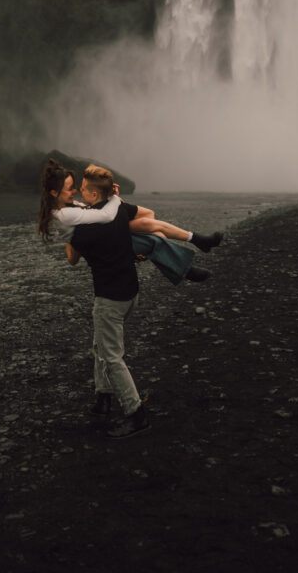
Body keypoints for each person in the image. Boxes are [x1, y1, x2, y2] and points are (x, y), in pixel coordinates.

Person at [61, 165, 150, 440]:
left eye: (83, 189)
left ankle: (136, 414)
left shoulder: (87, 228)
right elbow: (147, 215)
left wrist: (68, 231)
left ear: (92, 193)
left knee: (111, 356)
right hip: (130, 293)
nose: (79, 191)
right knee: (100, 344)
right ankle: (103, 399)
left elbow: (72, 259)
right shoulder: (119, 208)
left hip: (109, 298)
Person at [38, 161, 223, 287]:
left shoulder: (70, 206)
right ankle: (185, 267)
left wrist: (107, 194)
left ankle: (197, 240)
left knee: (149, 225)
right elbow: (105, 216)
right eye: (71, 188)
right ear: (55, 193)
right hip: (102, 240)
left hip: (102, 233)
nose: (76, 190)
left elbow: (91, 210)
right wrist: (113, 197)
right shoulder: (64, 214)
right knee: (153, 241)